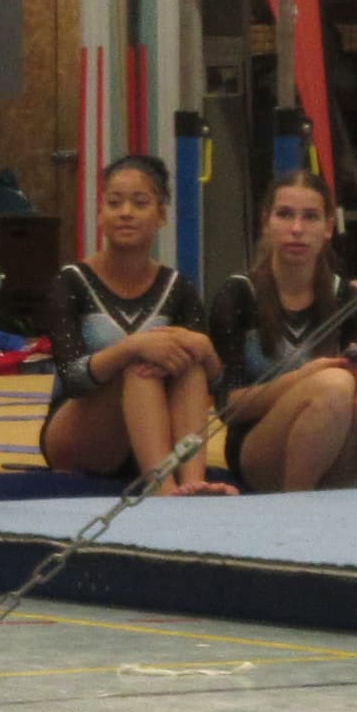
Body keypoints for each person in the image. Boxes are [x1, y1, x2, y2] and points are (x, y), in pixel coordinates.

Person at [208, 170, 357, 492]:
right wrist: (302, 379)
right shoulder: (238, 295)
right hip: (259, 450)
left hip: (333, 442)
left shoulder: (346, 298)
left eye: (310, 217)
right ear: (266, 222)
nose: (297, 229)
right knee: (332, 385)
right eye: (285, 215)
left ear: (328, 228)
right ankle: (298, 508)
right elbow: (228, 408)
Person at [36, 154, 226, 492]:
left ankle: (193, 481)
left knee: (191, 365)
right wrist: (132, 347)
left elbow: (221, 391)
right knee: (139, 368)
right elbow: (72, 378)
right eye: (114, 203)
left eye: (139, 203)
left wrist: (207, 351)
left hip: (157, 433)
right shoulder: (72, 282)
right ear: (100, 214)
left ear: (161, 214)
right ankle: (163, 488)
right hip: (79, 433)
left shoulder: (178, 288)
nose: (125, 212)